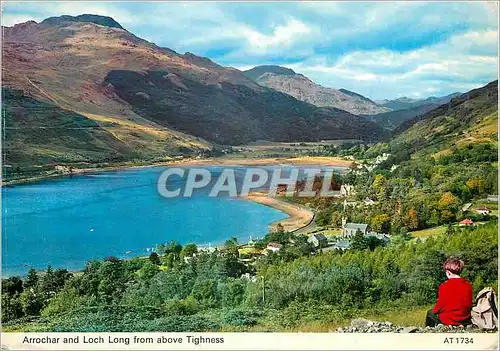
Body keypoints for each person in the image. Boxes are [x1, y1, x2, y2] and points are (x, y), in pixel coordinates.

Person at [426, 257, 473, 327]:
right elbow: (468, 304)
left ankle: (429, 332)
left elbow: (440, 305)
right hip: (465, 319)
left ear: (448, 272)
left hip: (450, 319)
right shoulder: (468, 285)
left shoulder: (444, 286)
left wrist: (435, 311)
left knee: (430, 313)